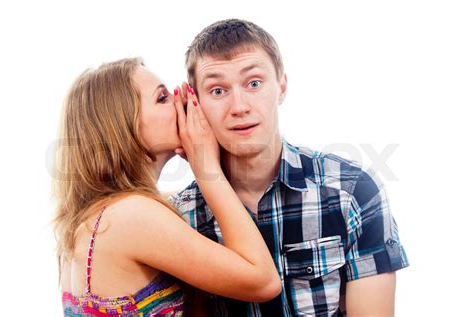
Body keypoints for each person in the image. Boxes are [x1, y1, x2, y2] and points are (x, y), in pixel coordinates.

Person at [172, 19, 409, 316]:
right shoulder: (181, 217)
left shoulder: (352, 191)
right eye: (218, 91)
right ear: (194, 103)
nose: (239, 106)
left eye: (254, 83)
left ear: (282, 87)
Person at [53, 57, 281, 316]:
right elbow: (263, 281)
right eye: (162, 98)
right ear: (123, 125)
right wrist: (206, 166)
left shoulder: (102, 216)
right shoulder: (132, 216)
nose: (180, 101)